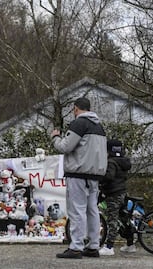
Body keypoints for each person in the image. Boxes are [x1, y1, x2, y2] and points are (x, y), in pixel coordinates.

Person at [51, 97, 107, 259]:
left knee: (77, 210)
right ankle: (93, 246)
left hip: (78, 174)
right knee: (92, 210)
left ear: (76, 109)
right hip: (95, 175)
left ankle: (76, 247)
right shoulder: (99, 127)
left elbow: (65, 146)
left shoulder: (78, 124)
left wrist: (55, 137)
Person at [99, 139, 135, 255]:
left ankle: (109, 247)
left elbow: (109, 177)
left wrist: (100, 180)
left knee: (112, 220)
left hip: (113, 194)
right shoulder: (123, 161)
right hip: (122, 193)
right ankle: (130, 244)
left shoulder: (111, 162)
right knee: (124, 219)